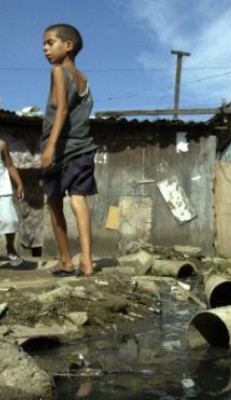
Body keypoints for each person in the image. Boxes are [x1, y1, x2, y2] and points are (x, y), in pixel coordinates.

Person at [41, 23, 98, 277]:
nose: (45, 49)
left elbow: (62, 109)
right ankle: (87, 260)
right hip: (84, 148)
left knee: (54, 203)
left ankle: (66, 261)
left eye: (49, 43)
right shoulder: (85, 80)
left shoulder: (57, 71)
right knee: (78, 200)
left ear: (68, 45)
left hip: (62, 150)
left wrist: (50, 146)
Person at [0, 138, 25, 267]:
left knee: (9, 220)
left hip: (2, 189)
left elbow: (9, 165)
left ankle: (10, 246)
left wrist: (19, 184)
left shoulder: (2, 144)